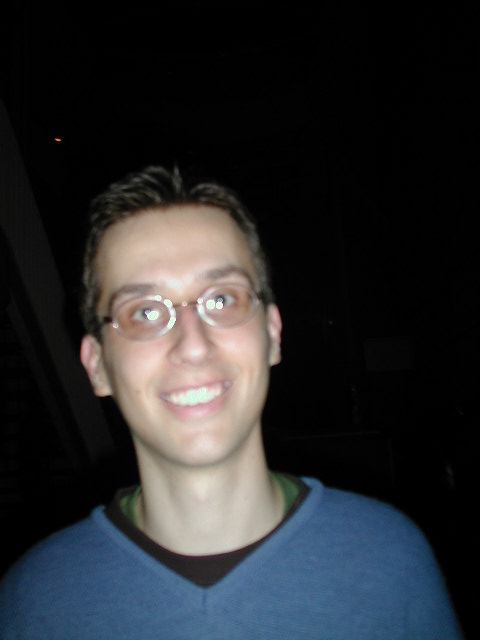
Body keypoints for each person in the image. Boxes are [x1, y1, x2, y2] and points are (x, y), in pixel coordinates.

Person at [0, 166, 463, 638]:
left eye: (222, 300)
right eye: (145, 312)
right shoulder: (33, 601)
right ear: (97, 365)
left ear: (272, 334)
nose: (193, 345)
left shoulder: (390, 560)